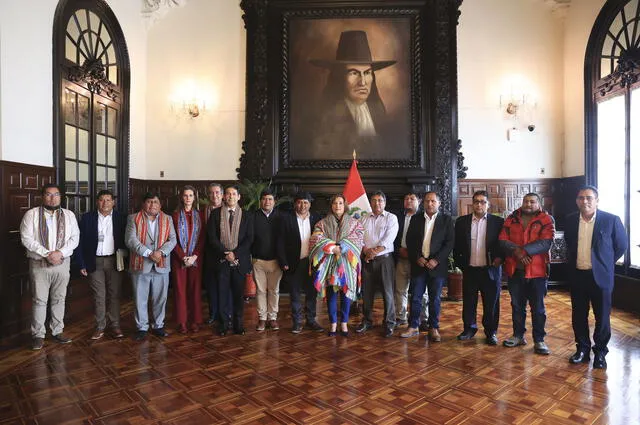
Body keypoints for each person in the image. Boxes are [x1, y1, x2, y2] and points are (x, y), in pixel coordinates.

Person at [308, 30, 398, 159]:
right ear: (340, 77)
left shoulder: (378, 112)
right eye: (354, 73)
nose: (362, 82)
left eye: (367, 73)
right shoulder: (325, 117)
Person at [564, 185, 627, 369]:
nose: (585, 201)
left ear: (597, 201)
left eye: (589, 198)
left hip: (601, 278)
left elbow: (621, 246)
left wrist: (604, 263)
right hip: (577, 276)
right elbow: (569, 243)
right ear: (577, 201)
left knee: (602, 316)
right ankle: (582, 349)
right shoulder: (570, 220)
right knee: (579, 315)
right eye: (581, 198)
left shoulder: (611, 220)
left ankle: (600, 352)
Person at [20, 184, 80, 350]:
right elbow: (26, 239)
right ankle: (38, 335)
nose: (52, 198)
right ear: (42, 196)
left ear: (61, 197)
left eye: (56, 195)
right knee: (39, 300)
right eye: (48, 194)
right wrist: (47, 253)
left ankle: (57, 331)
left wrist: (59, 253)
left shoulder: (69, 215)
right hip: (39, 264)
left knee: (59, 298)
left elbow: (75, 239)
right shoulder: (31, 215)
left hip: (62, 263)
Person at [499, 193, 555, 355]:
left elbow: (546, 242)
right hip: (515, 270)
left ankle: (539, 340)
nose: (528, 204)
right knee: (517, 306)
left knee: (538, 308)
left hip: (537, 271)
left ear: (539, 203)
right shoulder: (511, 218)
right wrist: (518, 253)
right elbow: (502, 240)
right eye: (526, 201)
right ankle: (518, 336)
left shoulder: (546, 219)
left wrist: (524, 252)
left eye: (532, 201)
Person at [453, 190, 504, 345]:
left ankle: (491, 332)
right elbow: (457, 246)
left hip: (491, 270)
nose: (479, 204)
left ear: (488, 205)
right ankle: (469, 329)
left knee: (492, 303)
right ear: (472, 204)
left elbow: (503, 244)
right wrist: (461, 264)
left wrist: (500, 259)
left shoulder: (498, 222)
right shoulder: (462, 222)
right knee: (469, 302)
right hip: (470, 270)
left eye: (483, 202)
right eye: (476, 201)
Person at [401, 192, 454, 341]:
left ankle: (434, 328)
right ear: (423, 203)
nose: (430, 204)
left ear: (439, 203)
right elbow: (409, 241)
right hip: (419, 264)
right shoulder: (416, 219)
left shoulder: (446, 220)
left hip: (437, 266)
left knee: (435, 298)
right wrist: (417, 257)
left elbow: (449, 243)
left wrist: (436, 260)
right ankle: (413, 326)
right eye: (427, 201)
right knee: (416, 297)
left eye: (433, 201)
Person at [75, 189, 126, 340]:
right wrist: (81, 263)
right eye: (102, 200)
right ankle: (100, 327)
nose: (105, 203)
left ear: (113, 202)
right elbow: (79, 243)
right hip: (94, 261)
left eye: (108, 200)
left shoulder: (121, 218)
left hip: (115, 260)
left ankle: (115, 325)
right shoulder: (87, 218)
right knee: (99, 295)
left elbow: (127, 241)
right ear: (97, 202)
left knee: (114, 295)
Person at [310, 194, 364, 337]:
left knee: (346, 292)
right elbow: (316, 236)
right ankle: (333, 324)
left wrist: (343, 247)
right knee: (332, 293)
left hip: (347, 262)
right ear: (331, 206)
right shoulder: (322, 222)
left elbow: (358, 237)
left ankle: (344, 323)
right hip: (329, 263)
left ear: (344, 205)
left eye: (340, 203)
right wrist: (331, 247)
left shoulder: (354, 223)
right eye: (335, 203)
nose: (337, 206)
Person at [125, 192, 177, 341]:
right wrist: (149, 253)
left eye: (155, 202)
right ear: (143, 204)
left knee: (160, 298)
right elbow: (130, 240)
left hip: (161, 264)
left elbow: (172, 240)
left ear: (160, 205)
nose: (152, 205)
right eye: (149, 202)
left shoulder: (167, 219)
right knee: (140, 298)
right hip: (140, 265)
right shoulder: (133, 218)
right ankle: (142, 327)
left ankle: (158, 325)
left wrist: (160, 252)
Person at [208, 185, 254, 336]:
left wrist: (235, 254)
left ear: (239, 197)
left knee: (238, 294)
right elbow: (212, 238)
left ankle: (238, 324)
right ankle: (223, 324)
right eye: (227, 194)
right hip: (221, 261)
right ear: (223, 197)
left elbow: (249, 239)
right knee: (222, 294)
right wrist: (225, 253)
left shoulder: (247, 215)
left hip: (239, 262)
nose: (230, 196)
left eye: (233, 194)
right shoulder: (215, 214)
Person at [277, 192, 323, 333]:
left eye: (306, 202)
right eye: (300, 202)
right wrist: (283, 261)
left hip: (312, 262)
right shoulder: (286, 219)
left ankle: (311, 320)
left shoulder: (317, 219)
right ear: (295, 204)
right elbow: (280, 242)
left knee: (311, 293)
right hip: (293, 263)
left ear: (310, 204)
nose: (303, 205)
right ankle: (297, 322)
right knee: (295, 294)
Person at [356, 191, 398, 337]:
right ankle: (367, 321)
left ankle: (389, 323)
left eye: (380, 200)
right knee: (367, 293)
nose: (377, 203)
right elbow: (358, 237)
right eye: (373, 200)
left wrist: (372, 252)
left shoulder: (391, 218)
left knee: (388, 293)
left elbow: (388, 239)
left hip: (384, 260)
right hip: (367, 260)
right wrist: (366, 251)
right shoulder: (363, 218)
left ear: (385, 202)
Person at [171, 185, 204, 334]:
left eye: (191, 195)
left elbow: (203, 238)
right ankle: (182, 321)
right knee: (180, 291)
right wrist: (183, 257)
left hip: (196, 259)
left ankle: (194, 320)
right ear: (181, 197)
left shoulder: (200, 215)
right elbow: (171, 239)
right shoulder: (175, 216)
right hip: (179, 259)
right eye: (185, 195)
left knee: (194, 290)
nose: (188, 198)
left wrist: (194, 255)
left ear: (194, 197)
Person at [394, 192, 429, 330]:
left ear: (419, 201)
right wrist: (398, 249)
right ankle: (400, 317)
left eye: (412, 199)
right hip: (401, 257)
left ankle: (423, 318)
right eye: (406, 198)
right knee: (400, 289)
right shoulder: (397, 217)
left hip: (418, 260)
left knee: (421, 291)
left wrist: (415, 254)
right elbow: (393, 236)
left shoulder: (424, 218)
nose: (409, 201)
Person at [252, 189, 283, 331]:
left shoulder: (281, 217)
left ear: (274, 202)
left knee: (274, 290)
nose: (267, 202)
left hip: (276, 261)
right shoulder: (253, 217)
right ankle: (262, 319)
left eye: (270, 199)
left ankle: (273, 318)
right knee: (260, 291)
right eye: (264, 199)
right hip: (258, 261)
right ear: (260, 201)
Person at [203, 182, 225, 325]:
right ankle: (213, 313)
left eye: (217, 192)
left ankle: (224, 314)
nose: (214, 195)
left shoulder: (228, 210)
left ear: (222, 195)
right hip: (208, 254)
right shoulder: (203, 211)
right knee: (211, 286)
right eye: (211, 192)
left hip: (224, 254)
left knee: (224, 286)